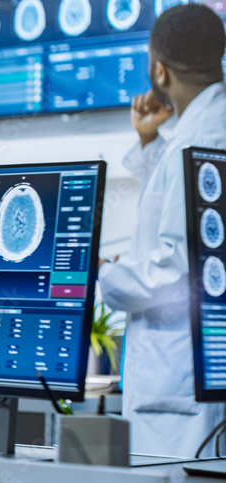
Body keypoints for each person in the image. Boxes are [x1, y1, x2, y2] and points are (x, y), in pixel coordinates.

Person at [98, 4, 226, 457]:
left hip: (182, 384)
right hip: (188, 375)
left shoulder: (200, 138)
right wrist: (152, 142)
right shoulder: (206, 127)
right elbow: (189, 212)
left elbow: (177, 269)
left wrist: (104, 273)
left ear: (159, 70)